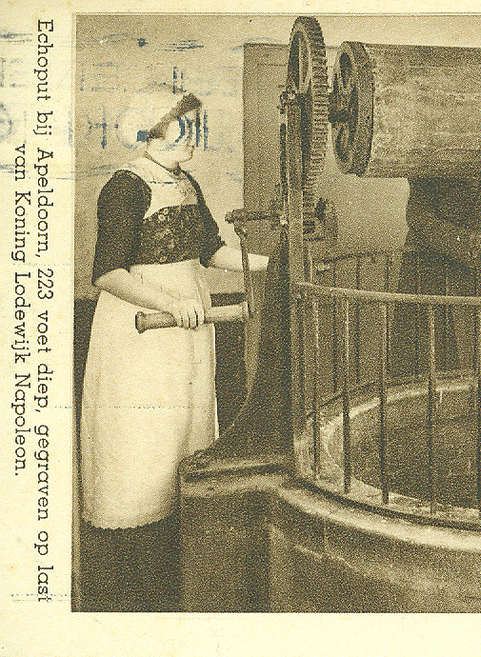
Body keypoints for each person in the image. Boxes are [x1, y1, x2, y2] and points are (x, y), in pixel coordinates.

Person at [79, 87, 268, 611]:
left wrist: (273, 265)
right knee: (142, 438)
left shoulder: (186, 182)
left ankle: (173, 552)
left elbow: (210, 250)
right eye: (185, 127)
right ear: (153, 129)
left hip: (189, 323)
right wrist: (169, 302)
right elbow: (108, 273)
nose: (194, 137)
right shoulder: (125, 187)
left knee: (183, 427)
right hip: (141, 329)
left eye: (196, 126)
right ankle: (137, 571)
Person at [391, 175, 481, 376]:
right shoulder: (433, 166)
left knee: (473, 358)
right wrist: (470, 241)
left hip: (480, 279)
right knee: (426, 360)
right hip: (429, 273)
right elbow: (419, 216)